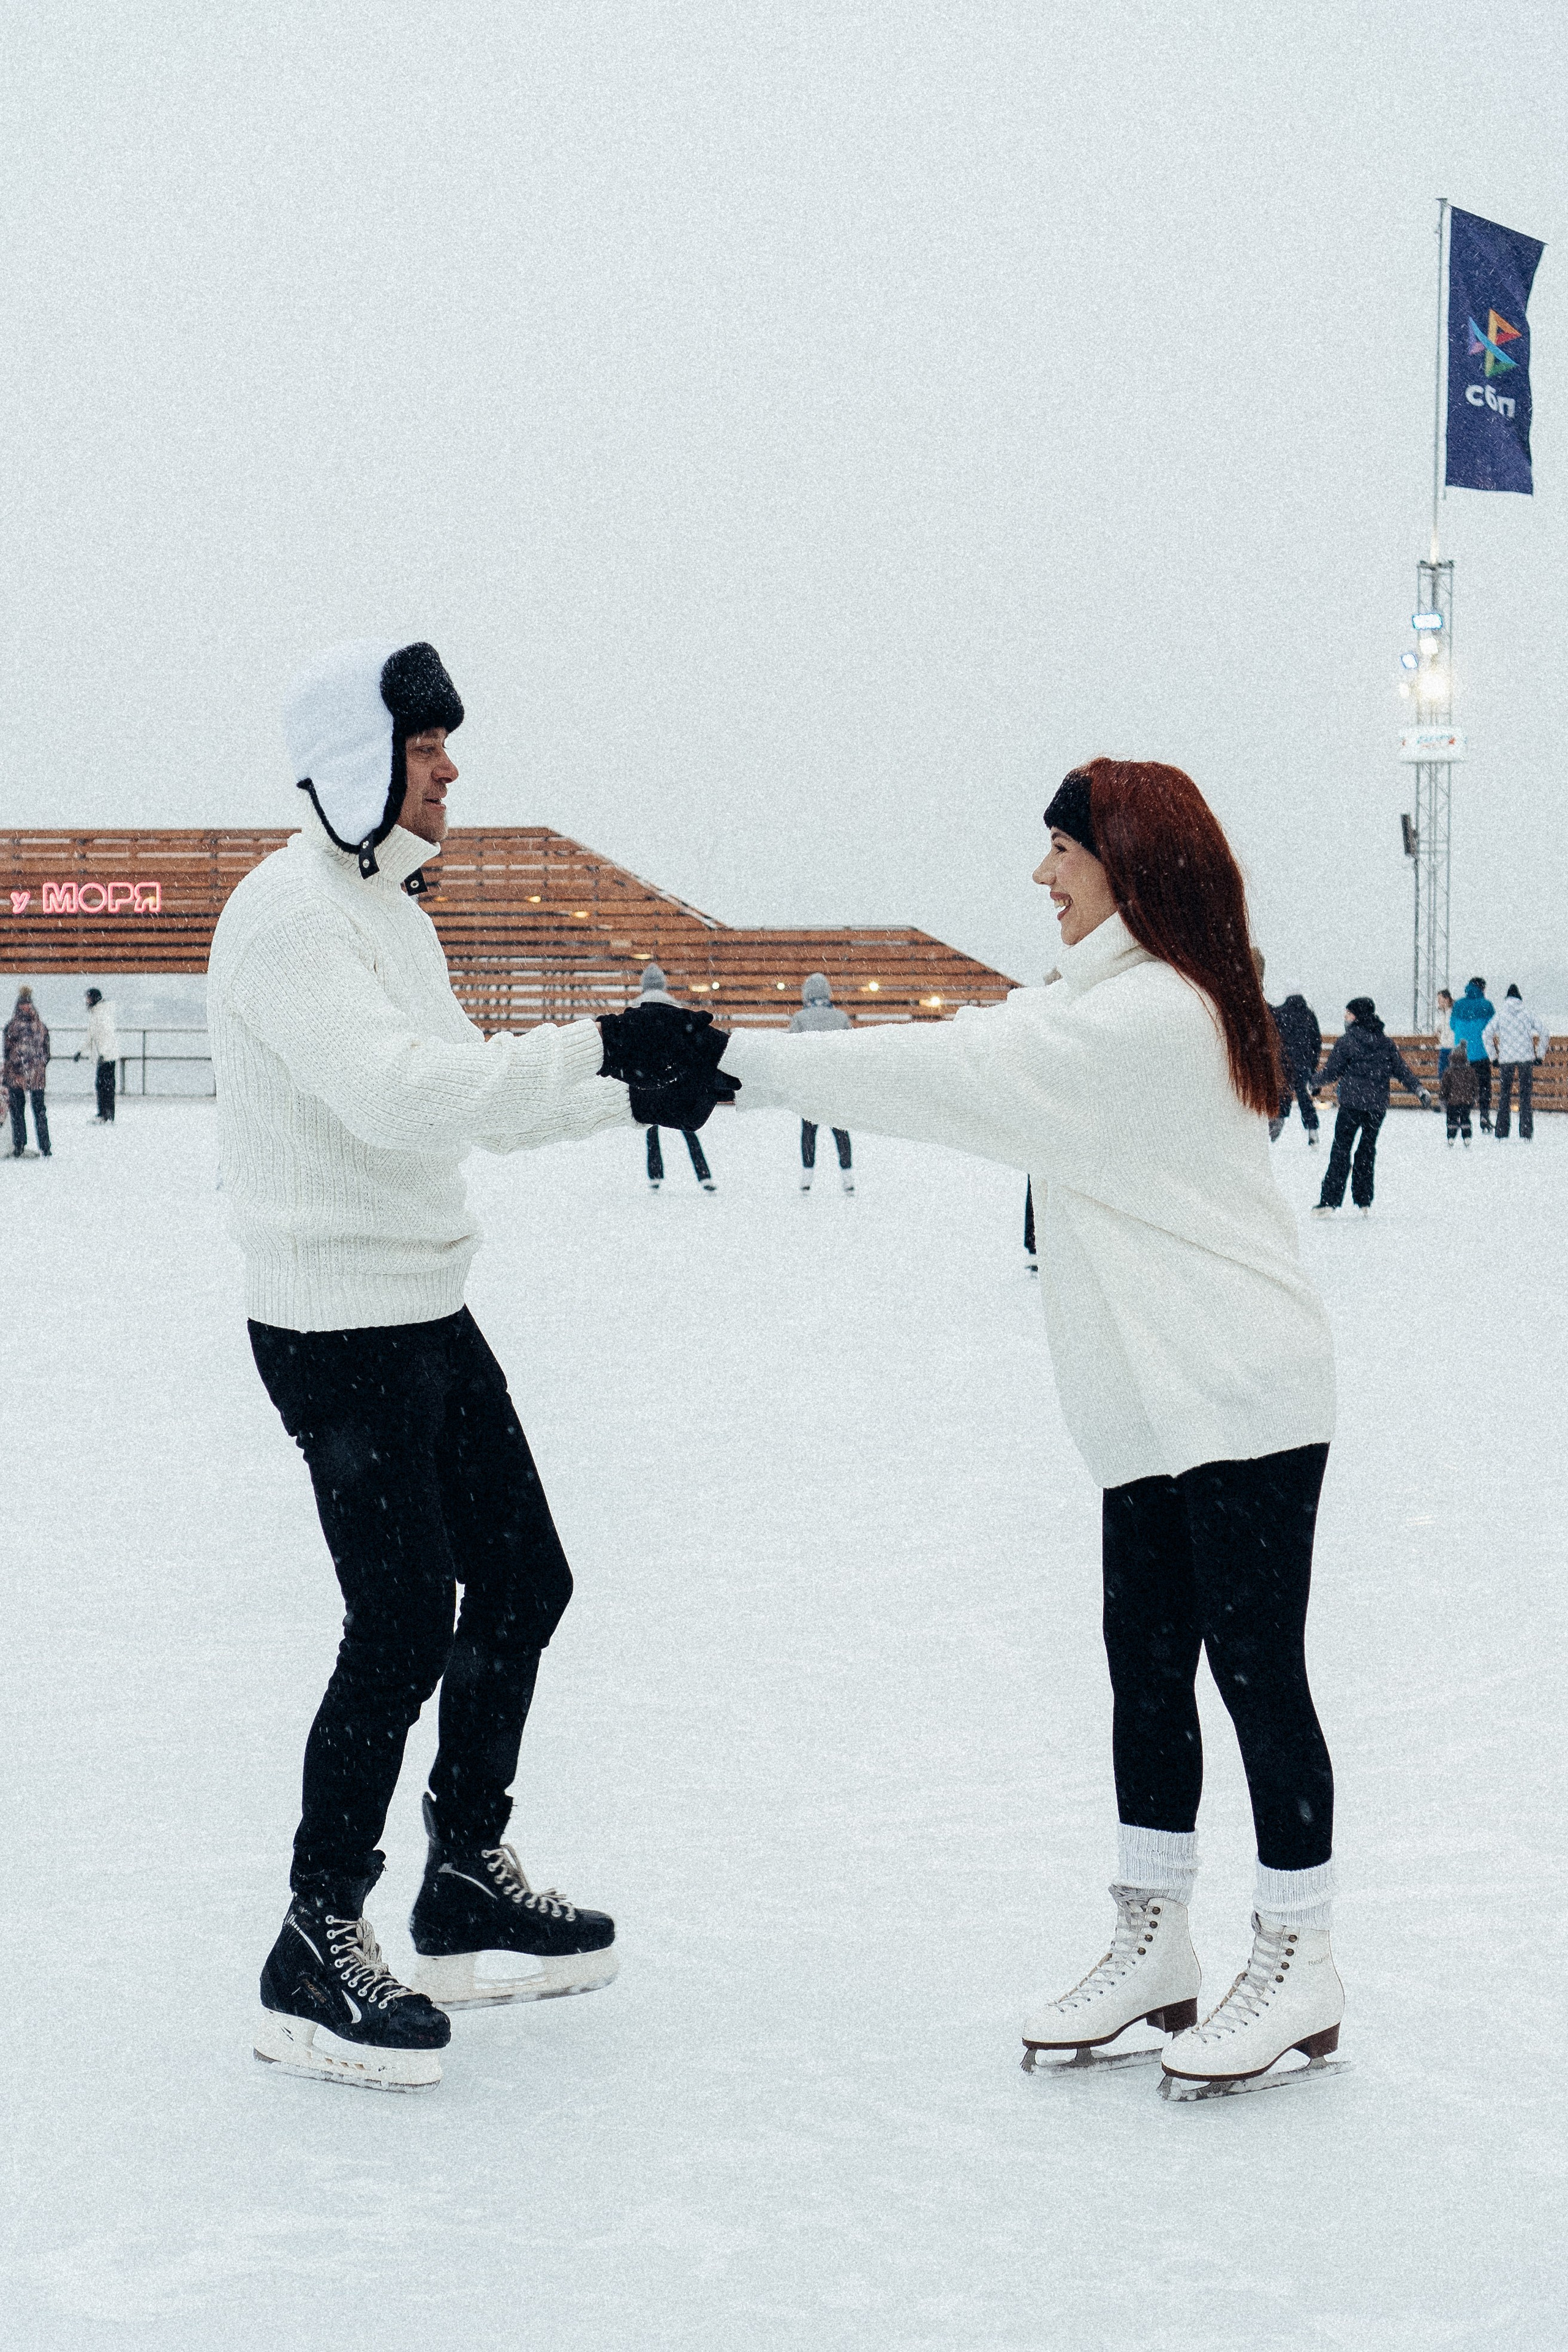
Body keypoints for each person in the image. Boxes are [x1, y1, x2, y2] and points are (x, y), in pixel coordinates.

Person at [650, 758, 1344, 2095]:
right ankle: (1154, 1939)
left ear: (1125, 862)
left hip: (1240, 1391)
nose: (1040, 876)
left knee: (1256, 1673)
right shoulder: (1101, 1000)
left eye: (1059, 852)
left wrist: (734, 1060)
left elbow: (951, 1070)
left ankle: (1298, 1950)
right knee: (1148, 1669)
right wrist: (739, 1068)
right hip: (1155, 1406)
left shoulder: (1152, 1017)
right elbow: (975, 1049)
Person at [209, 638, 732, 2093]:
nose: (449, 769)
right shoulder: (287, 920)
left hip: (423, 1305)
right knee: (397, 1623)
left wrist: (630, 1089)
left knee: (520, 1581)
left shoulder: (386, 911)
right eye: (425, 745)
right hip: (332, 1322)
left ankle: (460, 1878)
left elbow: (469, 1104)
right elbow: (395, 1096)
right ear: (358, 761)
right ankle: (315, 1933)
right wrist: (600, 1046)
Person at [1310, 998, 1431, 1217]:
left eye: (1348, 1013)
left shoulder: (1347, 1041)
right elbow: (1402, 1071)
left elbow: (1332, 1071)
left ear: (1357, 1016)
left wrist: (1313, 1083)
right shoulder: (1385, 1043)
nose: (1345, 1017)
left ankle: (1329, 1201)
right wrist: (1419, 1089)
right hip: (1376, 1107)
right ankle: (1364, 1200)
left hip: (1351, 1105)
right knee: (1366, 1150)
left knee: (1341, 1150)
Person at [635, 965, 717, 1191]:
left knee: (651, 1128)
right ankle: (704, 1175)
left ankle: (655, 1175)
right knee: (687, 1127)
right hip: (674, 1075)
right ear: (663, 984)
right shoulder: (675, 1006)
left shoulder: (635, 1007)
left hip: (647, 1077)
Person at [790, 974, 854, 1193]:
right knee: (841, 1132)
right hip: (834, 1083)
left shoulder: (800, 1018)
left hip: (810, 1084)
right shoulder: (841, 1017)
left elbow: (792, 1050)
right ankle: (847, 1176)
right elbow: (850, 1051)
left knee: (809, 1132)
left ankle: (807, 1176)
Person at [1483, 985, 1547, 1142]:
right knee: (1525, 1096)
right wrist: (1539, 1055)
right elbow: (1545, 1032)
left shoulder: (1501, 1014)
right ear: (1520, 998)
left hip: (1506, 1060)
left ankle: (1502, 1131)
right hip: (1526, 1059)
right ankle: (1526, 1132)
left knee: (1504, 1095)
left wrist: (1494, 1057)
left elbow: (1486, 1034)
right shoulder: (1527, 1013)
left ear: (1507, 998)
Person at [1271, 988, 1322, 1147]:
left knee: (1282, 1095)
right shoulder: (1309, 1015)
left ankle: (1275, 1128)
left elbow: (1273, 1038)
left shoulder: (1280, 1013)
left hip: (1284, 1064)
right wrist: (1312, 1066)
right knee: (1304, 1098)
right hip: (1303, 1064)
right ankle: (1312, 1130)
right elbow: (1316, 1042)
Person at [5, 986, 51, 1158]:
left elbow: (7, 1053)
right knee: (39, 1111)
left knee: (17, 1111)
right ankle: (45, 1147)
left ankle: (19, 1145)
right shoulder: (41, 1027)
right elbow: (47, 1053)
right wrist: (39, 1065)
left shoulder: (11, 1028)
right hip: (37, 1075)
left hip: (16, 1074)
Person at [1449, 978, 1496, 1131]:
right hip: (1481, 1053)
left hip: (1462, 1055)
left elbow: (1452, 1026)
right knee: (1484, 1087)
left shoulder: (1458, 1005)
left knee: (1462, 1088)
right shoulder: (1487, 1006)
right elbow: (1492, 1028)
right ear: (1482, 988)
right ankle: (1484, 1115)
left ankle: (1461, 1117)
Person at [75, 987, 118, 1122]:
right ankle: (105, 1114)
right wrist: (80, 1051)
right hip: (104, 1056)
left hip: (107, 1056)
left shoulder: (102, 1014)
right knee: (103, 1085)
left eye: (88, 998)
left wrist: (104, 1053)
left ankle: (105, 1114)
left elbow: (108, 1035)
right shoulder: (96, 1013)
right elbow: (90, 1036)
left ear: (94, 999)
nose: (86, 1001)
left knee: (105, 1086)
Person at [1438, 1036, 1477, 1145]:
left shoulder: (1448, 1072)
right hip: (1466, 1101)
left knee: (1451, 1120)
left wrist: (1442, 1098)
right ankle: (1467, 1136)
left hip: (1452, 1102)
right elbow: (1475, 1086)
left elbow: (1444, 1087)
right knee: (1465, 1119)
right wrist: (1474, 1097)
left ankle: (1451, 1136)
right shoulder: (1470, 1071)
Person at [1434, 987, 1455, 1082]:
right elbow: (1443, 1025)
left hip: (1452, 1046)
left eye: (1440, 999)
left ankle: (1447, 1088)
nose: (1438, 1002)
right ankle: (1445, 1088)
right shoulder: (1443, 1013)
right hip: (1445, 1046)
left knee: (1448, 1073)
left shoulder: (1454, 1012)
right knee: (1442, 1072)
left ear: (1446, 999)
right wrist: (1438, 1029)